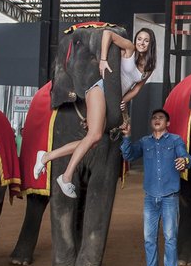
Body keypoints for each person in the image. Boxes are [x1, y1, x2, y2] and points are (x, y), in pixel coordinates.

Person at [34, 27, 157, 199]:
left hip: (114, 100)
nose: (142, 43)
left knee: (92, 140)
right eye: (140, 39)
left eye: (146, 40)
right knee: (94, 136)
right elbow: (108, 34)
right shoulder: (129, 48)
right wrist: (104, 60)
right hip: (102, 88)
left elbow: (136, 89)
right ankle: (66, 177)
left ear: (151, 44)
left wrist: (124, 100)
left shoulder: (149, 67)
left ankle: (46, 156)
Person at [121, 109, 190, 266]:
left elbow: (186, 157)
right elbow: (128, 155)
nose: (157, 120)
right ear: (151, 123)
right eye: (154, 118)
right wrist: (127, 136)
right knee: (149, 238)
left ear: (167, 123)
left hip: (170, 197)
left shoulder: (175, 140)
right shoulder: (145, 142)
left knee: (170, 237)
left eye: (161, 118)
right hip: (150, 198)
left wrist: (184, 160)